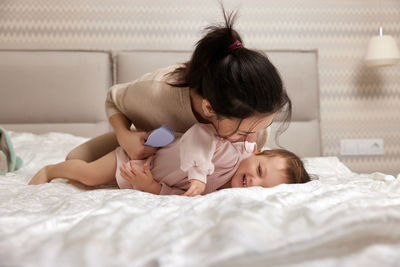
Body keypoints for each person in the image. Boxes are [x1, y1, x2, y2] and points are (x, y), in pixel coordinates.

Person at [65, 8, 292, 166]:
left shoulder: (255, 122)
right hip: (154, 140)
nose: (252, 140)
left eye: (262, 127)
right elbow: (113, 99)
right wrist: (124, 136)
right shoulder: (155, 92)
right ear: (208, 108)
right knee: (73, 160)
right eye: (243, 133)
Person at [29, 123, 310, 196]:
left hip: (147, 175)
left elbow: (174, 193)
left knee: (94, 183)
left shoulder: (224, 191)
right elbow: (200, 134)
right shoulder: (235, 149)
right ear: (257, 152)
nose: (253, 182)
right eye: (259, 170)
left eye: (262, 188)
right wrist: (199, 175)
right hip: (143, 155)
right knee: (89, 176)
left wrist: (150, 187)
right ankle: (51, 169)